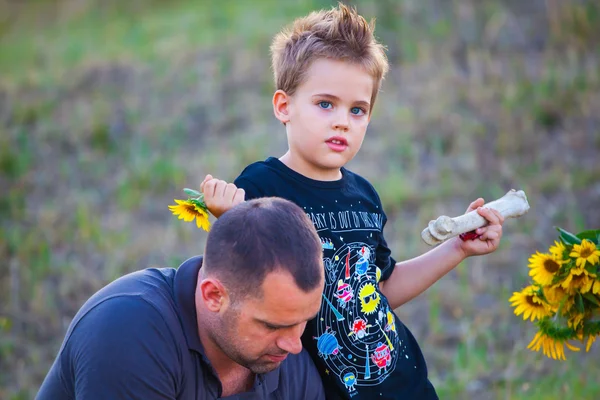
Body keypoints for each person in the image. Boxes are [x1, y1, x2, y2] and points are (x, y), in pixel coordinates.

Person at [199, 4, 506, 400]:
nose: (342, 120)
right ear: (283, 106)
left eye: (357, 110)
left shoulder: (364, 196)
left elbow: (381, 288)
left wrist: (457, 248)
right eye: (325, 104)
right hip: (325, 389)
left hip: (404, 383)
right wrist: (228, 219)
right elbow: (239, 285)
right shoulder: (261, 185)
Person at [37, 198, 327, 400]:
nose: (294, 345)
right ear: (213, 295)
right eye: (272, 326)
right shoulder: (128, 331)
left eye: (303, 321)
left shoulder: (289, 364)